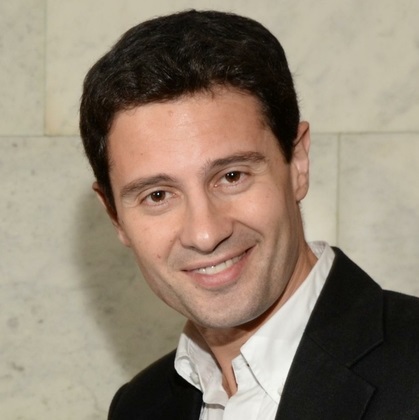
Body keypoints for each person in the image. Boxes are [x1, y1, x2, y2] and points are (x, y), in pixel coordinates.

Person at [79, 9, 419, 420]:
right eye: (158, 195)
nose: (205, 233)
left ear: (297, 163)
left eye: (232, 176)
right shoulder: (139, 407)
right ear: (115, 215)